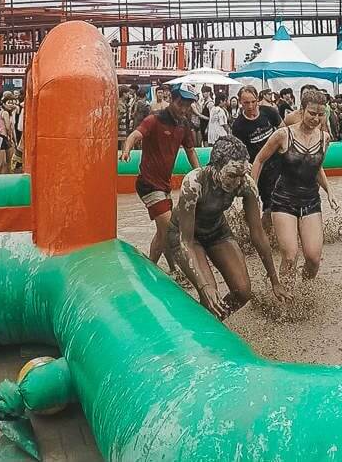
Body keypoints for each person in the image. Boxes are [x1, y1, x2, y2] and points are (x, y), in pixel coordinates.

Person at [164, 136, 289, 319]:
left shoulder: (246, 185)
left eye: (241, 175)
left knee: (243, 292)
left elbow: (258, 234)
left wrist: (274, 280)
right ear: (214, 167)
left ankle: (215, 324)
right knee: (209, 295)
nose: (237, 182)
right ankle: (202, 327)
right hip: (185, 237)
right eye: (231, 175)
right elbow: (186, 241)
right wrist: (204, 287)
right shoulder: (194, 184)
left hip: (217, 232)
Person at [252, 89, 338, 281]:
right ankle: (285, 297)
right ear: (302, 110)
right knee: (290, 256)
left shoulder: (324, 139)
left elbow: (316, 168)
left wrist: (329, 191)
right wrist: (253, 189)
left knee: (314, 258)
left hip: (310, 201)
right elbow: (259, 160)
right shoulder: (283, 135)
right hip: (283, 200)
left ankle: (304, 295)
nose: (316, 118)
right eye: (312, 113)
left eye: (320, 114)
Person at [121, 85, 201, 267]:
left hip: (164, 186)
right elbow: (135, 135)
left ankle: (152, 266)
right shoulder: (154, 120)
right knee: (170, 230)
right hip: (148, 184)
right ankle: (178, 270)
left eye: (188, 104)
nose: (184, 108)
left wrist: (199, 173)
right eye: (181, 103)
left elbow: (190, 151)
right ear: (171, 99)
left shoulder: (183, 125)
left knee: (162, 233)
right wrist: (126, 150)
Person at [232, 85, 284, 233]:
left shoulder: (270, 112)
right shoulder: (238, 125)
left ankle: (276, 232)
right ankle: (262, 233)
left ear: (258, 100)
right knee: (265, 203)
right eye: (246, 103)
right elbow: (240, 151)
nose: (250, 106)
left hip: (278, 163)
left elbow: (284, 132)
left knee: (283, 199)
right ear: (240, 102)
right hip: (259, 168)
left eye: (253, 102)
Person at [0, 96, 16, 174]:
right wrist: (10, 138)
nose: (11, 105)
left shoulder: (9, 113)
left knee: (5, 163)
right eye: (9, 103)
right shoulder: (5, 112)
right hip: (0, 137)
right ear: (4, 103)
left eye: (13, 103)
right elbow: (8, 127)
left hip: (4, 138)